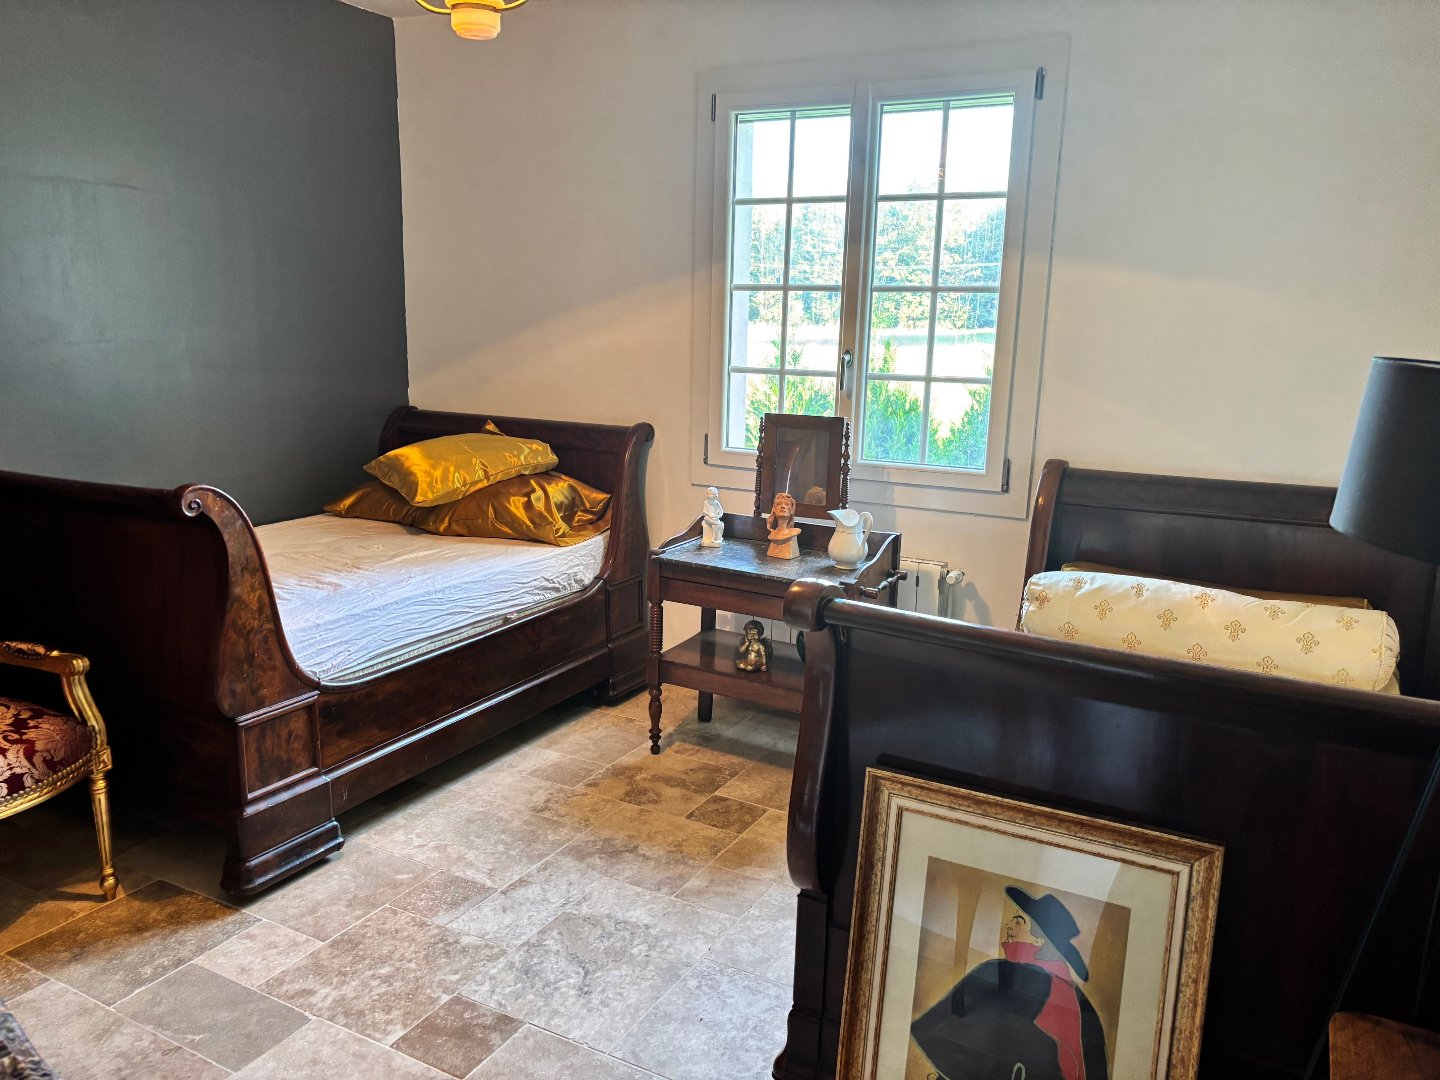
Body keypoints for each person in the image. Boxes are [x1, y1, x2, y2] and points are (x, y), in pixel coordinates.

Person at [910, 886, 1108, 1080]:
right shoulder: (1073, 995)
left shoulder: (1022, 977)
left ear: (1040, 938)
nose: (1009, 926)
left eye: (1018, 921)